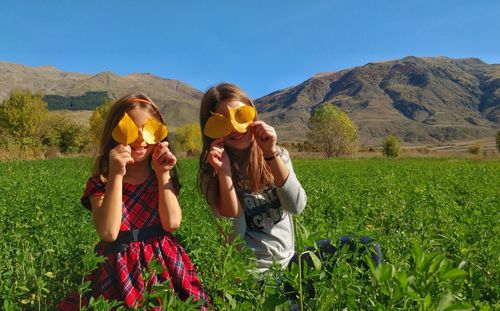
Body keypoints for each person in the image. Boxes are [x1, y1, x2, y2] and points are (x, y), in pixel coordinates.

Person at [197, 82, 381, 275]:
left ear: (253, 115)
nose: (235, 128)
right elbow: (233, 240)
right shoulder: (211, 174)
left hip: (292, 263)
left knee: (367, 248)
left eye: (240, 116)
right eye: (222, 122)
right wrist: (225, 174)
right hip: (254, 276)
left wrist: (270, 154)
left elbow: (296, 206)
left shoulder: (278, 155)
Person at [58, 93, 210, 310]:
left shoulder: (162, 178)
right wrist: (116, 175)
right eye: (130, 130)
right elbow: (109, 233)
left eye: (148, 130)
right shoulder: (101, 182)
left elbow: (172, 223)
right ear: (115, 132)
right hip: (116, 266)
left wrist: (163, 174)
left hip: (162, 263)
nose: (140, 139)